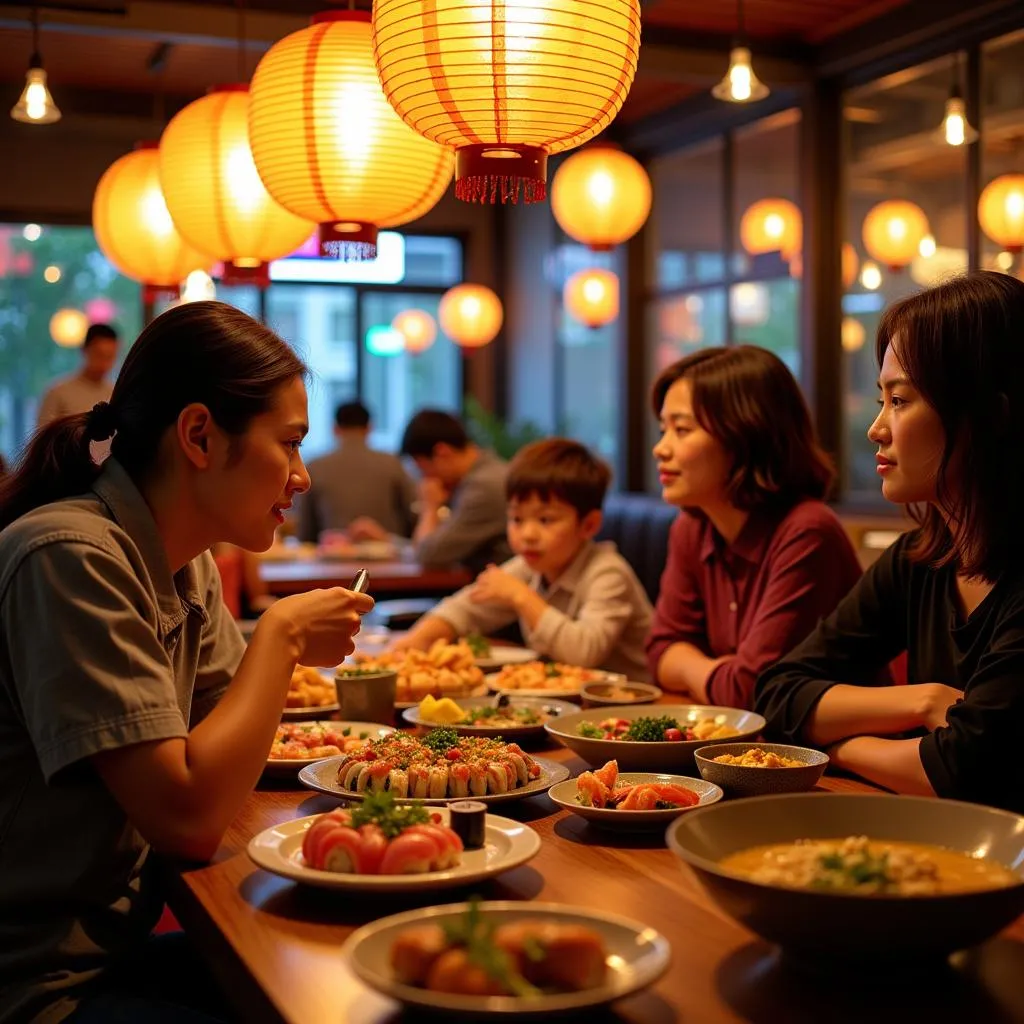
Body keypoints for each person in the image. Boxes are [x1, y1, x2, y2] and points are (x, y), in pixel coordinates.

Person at [0, 300, 373, 1022]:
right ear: (199, 434)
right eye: (289, 443)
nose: (300, 476)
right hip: (46, 984)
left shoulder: (182, 560)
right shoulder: (68, 557)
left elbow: (228, 735)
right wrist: (282, 637)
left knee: (360, 972)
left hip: (121, 944)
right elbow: (189, 817)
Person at [756, 272, 1024, 813]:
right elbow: (778, 692)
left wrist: (837, 746)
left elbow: (957, 769)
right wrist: (920, 702)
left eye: (899, 400)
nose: (876, 428)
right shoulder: (920, 559)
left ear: (988, 418)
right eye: (882, 400)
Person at [645, 345, 863, 710]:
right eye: (663, 429)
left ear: (745, 436)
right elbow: (659, 650)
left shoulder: (807, 532)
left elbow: (752, 689)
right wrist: (717, 672)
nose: (660, 449)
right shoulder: (693, 526)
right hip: (743, 748)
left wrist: (698, 671)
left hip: (828, 758)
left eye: (681, 429)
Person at [395, 438, 653, 679]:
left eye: (545, 519)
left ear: (588, 525)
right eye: (517, 519)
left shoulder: (607, 573)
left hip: (639, 705)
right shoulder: (530, 565)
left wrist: (521, 597)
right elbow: (466, 608)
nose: (528, 534)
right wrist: (412, 642)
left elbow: (584, 653)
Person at [400, 408, 511, 574]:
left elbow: (429, 555)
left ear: (441, 452)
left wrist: (429, 507)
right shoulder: (483, 476)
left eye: (423, 468)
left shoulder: (483, 488)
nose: (425, 478)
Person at [295, 400, 417, 543]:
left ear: (335, 429)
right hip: (387, 558)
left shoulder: (315, 467)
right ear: (369, 428)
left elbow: (305, 530)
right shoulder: (393, 463)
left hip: (333, 558)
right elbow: (413, 516)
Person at [37, 322, 119, 426]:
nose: (104, 363)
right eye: (99, 355)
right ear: (84, 350)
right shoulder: (58, 393)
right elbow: (44, 438)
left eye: (110, 356)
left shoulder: (115, 395)